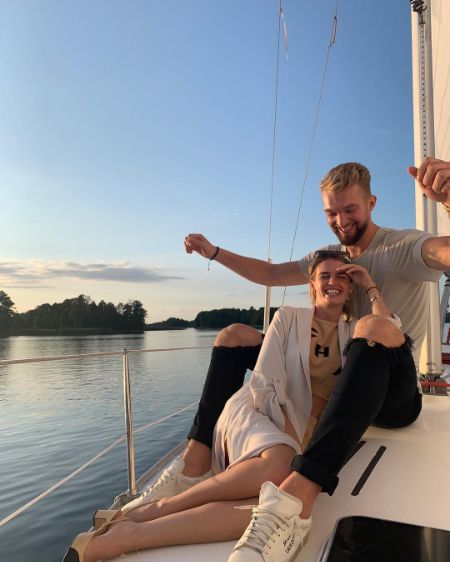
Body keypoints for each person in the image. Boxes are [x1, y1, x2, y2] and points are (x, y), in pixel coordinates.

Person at [121, 158, 450, 512]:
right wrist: (214, 253)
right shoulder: (329, 260)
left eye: (350, 209)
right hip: (332, 376)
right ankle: (193, 464)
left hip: (386, 391)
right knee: (233, 337)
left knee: (369, 328)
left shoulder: (402, 247)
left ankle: (299, 492)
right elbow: (270, 273)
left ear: (371, 203)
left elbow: (441, 251)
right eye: (331, 213)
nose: (340, 221)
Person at [62, 254, 419, 562]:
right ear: (312, 285)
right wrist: (295, 442)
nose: (332, 282)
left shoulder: (353, 331)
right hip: (263, 413)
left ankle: (130, 533)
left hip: (310, 428)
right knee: (283, 466)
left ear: (350, 286)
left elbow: (388, 331)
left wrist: (371, 287)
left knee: (271, 501)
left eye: (341, 276)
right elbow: (264, 382)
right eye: (324, 276)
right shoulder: (289, 318)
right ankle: (159, 508)